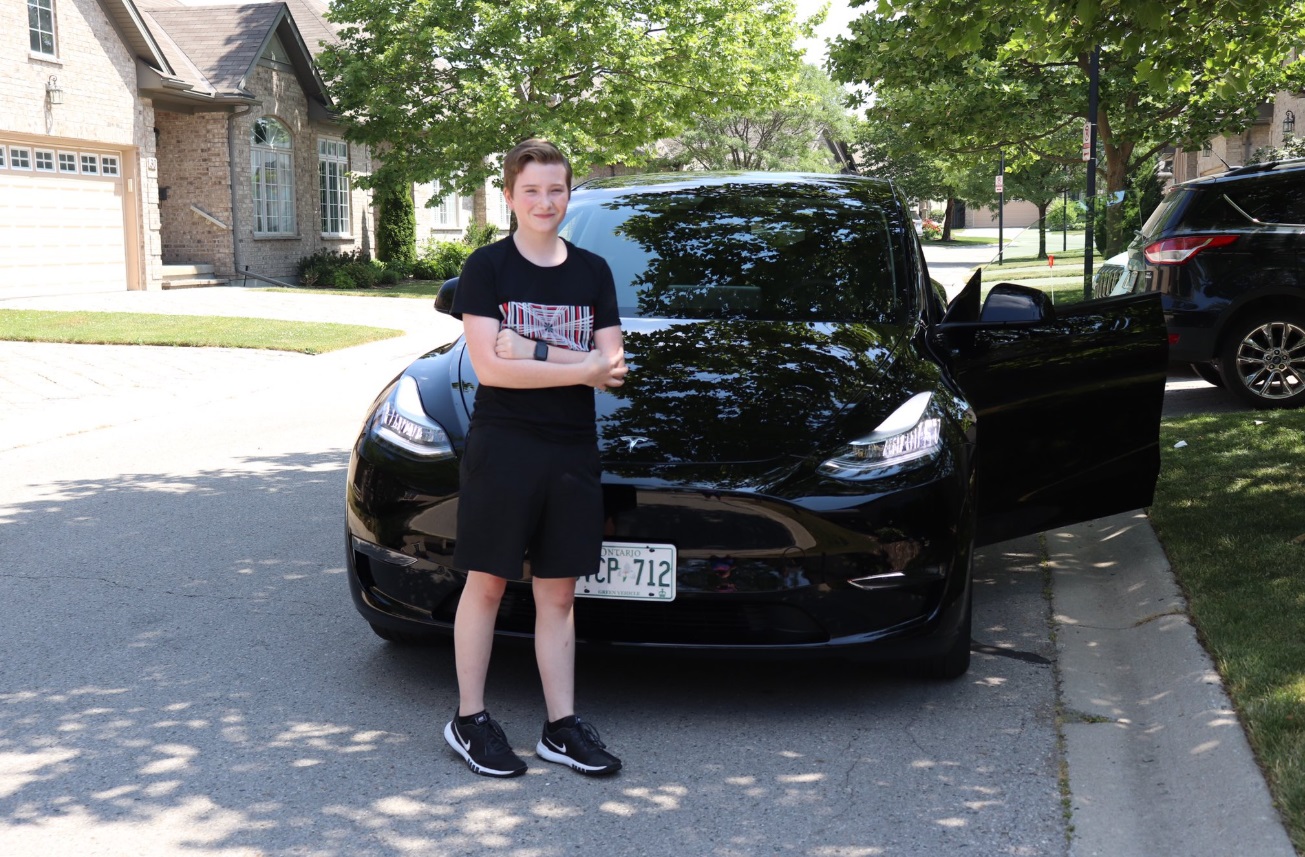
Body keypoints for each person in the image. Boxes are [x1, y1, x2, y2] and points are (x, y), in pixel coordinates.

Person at [443, 138, 628, 778]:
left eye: (556, 190)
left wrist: (534, 351)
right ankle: (469, 720)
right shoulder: (487, 269)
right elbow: (492, 367)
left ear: (568, 194)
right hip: (504, 446)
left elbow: (614, 370)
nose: (545, 202)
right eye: (532, 191)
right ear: (509, 196)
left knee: (558, 594)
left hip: (571, 451)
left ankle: (560, 727)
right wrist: (569, 364)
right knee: (487, 584)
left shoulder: (593, 271)